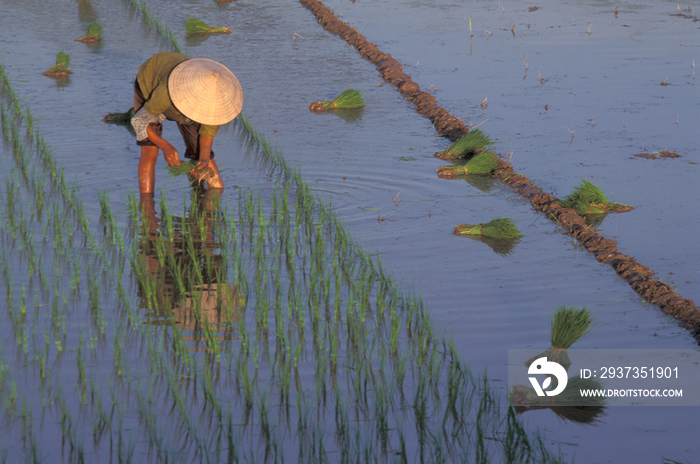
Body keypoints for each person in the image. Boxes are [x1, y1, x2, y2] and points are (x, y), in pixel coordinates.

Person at [131, 51, 243, 194]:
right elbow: (138, 121)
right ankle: (147, 207)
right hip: (152, 83)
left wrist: (203, 160)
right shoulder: (166, 93)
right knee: (150, 149)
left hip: (179, 95)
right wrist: (165, 145)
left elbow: (207, 135)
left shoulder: (215, 104)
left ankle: (215, 199)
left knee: (203, 156)